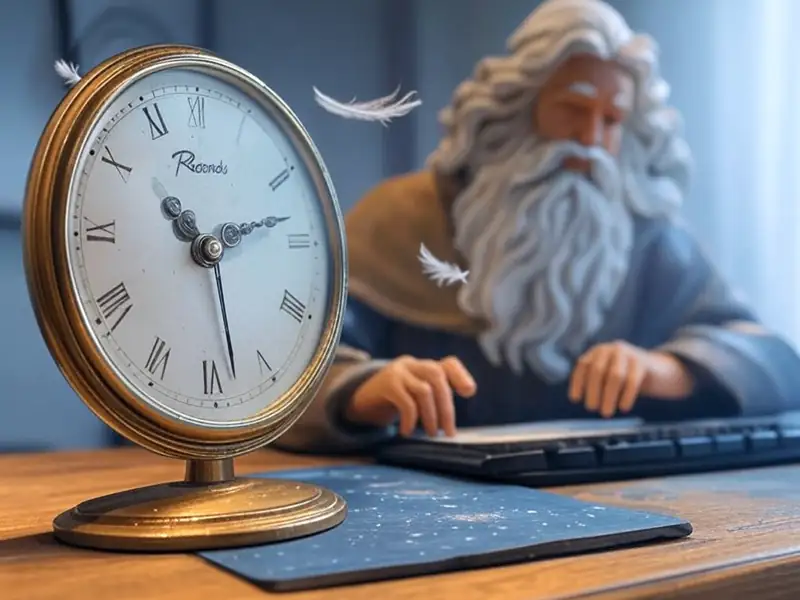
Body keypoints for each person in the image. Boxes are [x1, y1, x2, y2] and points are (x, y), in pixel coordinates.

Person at [276, 0, 800, 453]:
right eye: (573, 108)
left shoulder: (649, 244)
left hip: (613, 505)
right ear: (521, 107)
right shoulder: (400, 220)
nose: (590, 139)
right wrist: (367, 390)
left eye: (611, 121)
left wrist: (666, 369)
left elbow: (774, 361)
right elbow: (281, 380)